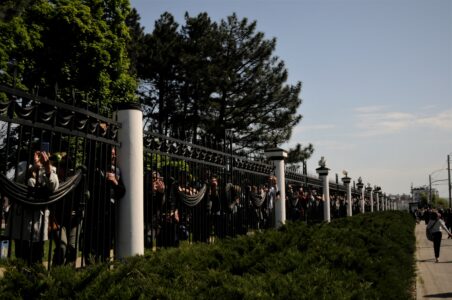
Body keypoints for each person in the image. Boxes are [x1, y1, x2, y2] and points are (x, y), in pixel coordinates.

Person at [7, 148, 59, 264]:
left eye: (42, 153)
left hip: (38, 218)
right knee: (21, 253)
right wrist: (32, 168)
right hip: (21, 217)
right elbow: (13, 182)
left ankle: (35, 278)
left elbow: (54, 187)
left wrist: (47, 168)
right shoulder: (23, 165)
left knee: (37, 254)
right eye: (37, 153)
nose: (39, 156)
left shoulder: (51, 168)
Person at [82, 145, 125, 264]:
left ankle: (103, 267)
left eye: (114, 153)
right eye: (111, 153)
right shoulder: (95, 167)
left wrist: (115, 182)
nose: (114, 155)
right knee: (92, 243)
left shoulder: (116, 170)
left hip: (109, 212)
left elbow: (122, 192)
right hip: (94, 210)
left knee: (105, 244)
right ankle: (90, 265)